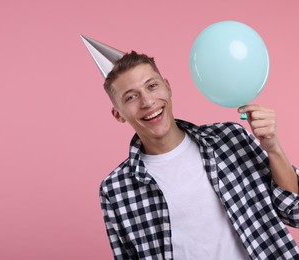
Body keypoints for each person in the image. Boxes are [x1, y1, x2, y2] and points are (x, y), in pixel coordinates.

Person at [98, 51, 299, 260]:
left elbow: (294, 211)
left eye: (152, 86)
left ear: (168, 87)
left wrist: (273, 148)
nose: (147, 102)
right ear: (118, 114)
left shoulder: (230, 139)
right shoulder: (115, 189)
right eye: (131, 97)